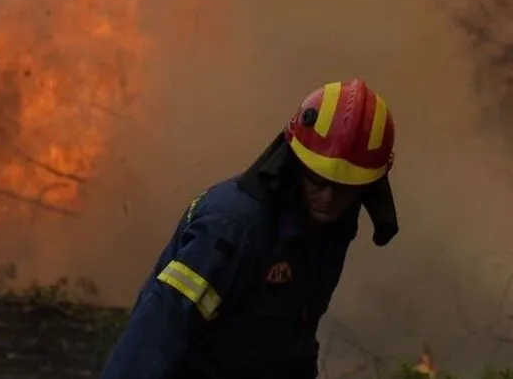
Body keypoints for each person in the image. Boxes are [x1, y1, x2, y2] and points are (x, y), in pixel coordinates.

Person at [101, 79, 401, 379]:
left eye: (344, 189)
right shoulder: (232, 228)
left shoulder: (329, 230)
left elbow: (294, 333)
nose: (328, 199)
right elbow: (159, 330)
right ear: (295, 165)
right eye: (318, 182)